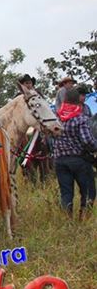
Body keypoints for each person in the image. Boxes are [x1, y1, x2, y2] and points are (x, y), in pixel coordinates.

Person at [53, 88, 96, 221]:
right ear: (78, 102)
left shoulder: (57, 118)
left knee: (66, 193)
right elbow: (87, 140)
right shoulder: (80, 118)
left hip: (60, 161)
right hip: (79, 160)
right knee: (88, 191)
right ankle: (84, 219)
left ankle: (68, 221)